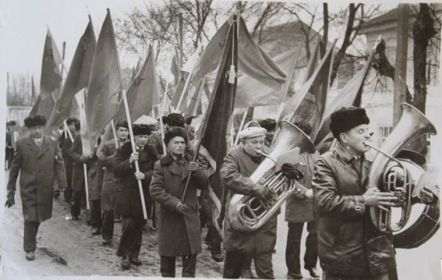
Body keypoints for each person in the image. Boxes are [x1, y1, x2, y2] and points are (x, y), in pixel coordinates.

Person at [312, 107, 400, 280]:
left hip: (378, 255)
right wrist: (364, 201)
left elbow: (384, 197)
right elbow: (324, 203)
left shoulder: (370, 164)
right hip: (344, 257)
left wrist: (414, 197)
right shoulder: (325, 163)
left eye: (368, 131)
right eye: (361, 131)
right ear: (344, 137)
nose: (369, 135)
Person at [220, 126, 303, 279]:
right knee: (232, 270)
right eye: (254, 142)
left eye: (261, 142)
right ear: (243, 142)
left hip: (265, 223)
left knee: (265, 269)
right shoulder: (233, 154)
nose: (259, 146)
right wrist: (254, 188)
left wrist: (291, 172)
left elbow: (283, 180)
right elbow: (227, 176)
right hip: (240, 220)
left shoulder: (270, 155)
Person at [6, 115, 67, 261]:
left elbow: (59, 164)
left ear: (43, 128)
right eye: (34, 129)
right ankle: (29, 249)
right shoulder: (21, 144)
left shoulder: (52, 143)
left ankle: (31, 240)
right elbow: (14, 169)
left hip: (45, 188)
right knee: (30, 218)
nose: (37, 131)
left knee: (38, 217)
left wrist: (63, 185)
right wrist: (11, 189)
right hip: (28, 188)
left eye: (39, 128)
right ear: (29, 130)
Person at [150, 127, 209, 277]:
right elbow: (155, 190)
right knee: (168, 263)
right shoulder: (161, 165)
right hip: (170, 217)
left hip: (189, 217)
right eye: (176, 143)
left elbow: (204, 185)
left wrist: (197, 172)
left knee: (190, 263)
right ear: (168, 145)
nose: (180, 146)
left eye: (182, 143)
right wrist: (174, 203)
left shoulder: (192, 162)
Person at [113, 124, 158, 270]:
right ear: (134, 137)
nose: (142, 140)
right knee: (128, 225)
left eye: (145, 137)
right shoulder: (125, 149)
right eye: (139, 137)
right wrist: (130, 162)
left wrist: (145, 176)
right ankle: (124, 255)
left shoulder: (151, 151)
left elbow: (156, 171)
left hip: (144, 194)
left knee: (139, 225)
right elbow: (116, 169)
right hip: (127, 194)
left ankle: (134, 255)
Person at [285, 122, 320, 279]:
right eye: (304, 134)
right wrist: (304, 192)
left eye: (308, 134)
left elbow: (322, 174)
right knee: (294, 239)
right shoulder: (289, 154)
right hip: (297, 202)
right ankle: (293, 269)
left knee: (315, 236)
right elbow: (285, 180)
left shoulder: (314, 154)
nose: (307, 138)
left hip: (314, 202)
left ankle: (311, 264)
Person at [97, 119, 129, 244]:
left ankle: (125, 238)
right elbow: (101, 160)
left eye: (126, 130)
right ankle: (106, 236)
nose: (123, 133)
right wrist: (116, 157)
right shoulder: (108, 145)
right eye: (121, 130)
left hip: (125, 181)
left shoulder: (130, 145)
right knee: (108, 210)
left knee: (125, 211)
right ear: (116, 131)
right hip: (110, 180)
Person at [58, 117, 80, 203]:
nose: (73, 127)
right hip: (68, 162)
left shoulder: (77, 136)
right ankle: (67, 198)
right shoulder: (66, 135)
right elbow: (63, 149)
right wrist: (71, 152)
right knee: (69, 179)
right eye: (71, 125)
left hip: (75, 161)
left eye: (74, 125)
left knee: (74, 181)